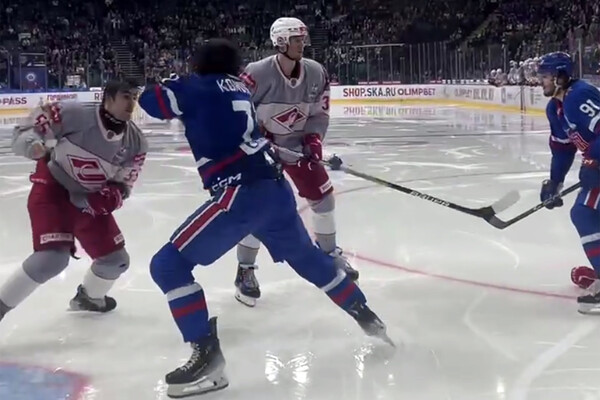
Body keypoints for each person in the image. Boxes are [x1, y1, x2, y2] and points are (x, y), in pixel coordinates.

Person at [138, 38, 391, 398]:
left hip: (240, 193)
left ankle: (207, 358)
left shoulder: (196, 87)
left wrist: (173, 80)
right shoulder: (239, 87)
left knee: (168, 266)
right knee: (309, 259)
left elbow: (150, 102)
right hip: (275, 189)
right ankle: (366, 315)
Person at [234, 17, 358, 307]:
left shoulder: (316, 72)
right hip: (261, 150)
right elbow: (237, 110)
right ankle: (245, 269)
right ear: (280, 41)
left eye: (303, 39)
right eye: (296, 39)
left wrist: (313, 140)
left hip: (296, 147)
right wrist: (256, 138)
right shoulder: (256, 73)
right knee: (258, 208)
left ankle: (329, 254)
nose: (302, 44)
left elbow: (318, 114)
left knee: (323, 197)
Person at [0, 79, 147, 321]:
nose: (131, 103)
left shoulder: (136, 142)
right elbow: (24, 132)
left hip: (88, 200)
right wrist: (32, 145)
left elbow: (124, 183)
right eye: (125, 96)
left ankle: (89, 298)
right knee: (52, 259)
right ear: (107, 98)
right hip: (53, 189)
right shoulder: (73, 114)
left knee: (115, 261)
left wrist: (112, 196)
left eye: (134, 97)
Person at [538, 51, 600, 313]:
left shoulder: (578, 96)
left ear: (561, 76)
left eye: (546, 76)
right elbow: (563, 149)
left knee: (585, 212)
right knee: (588, 213)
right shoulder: (555, 108)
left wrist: (593, 160)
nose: (541, 81)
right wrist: (555, 182)